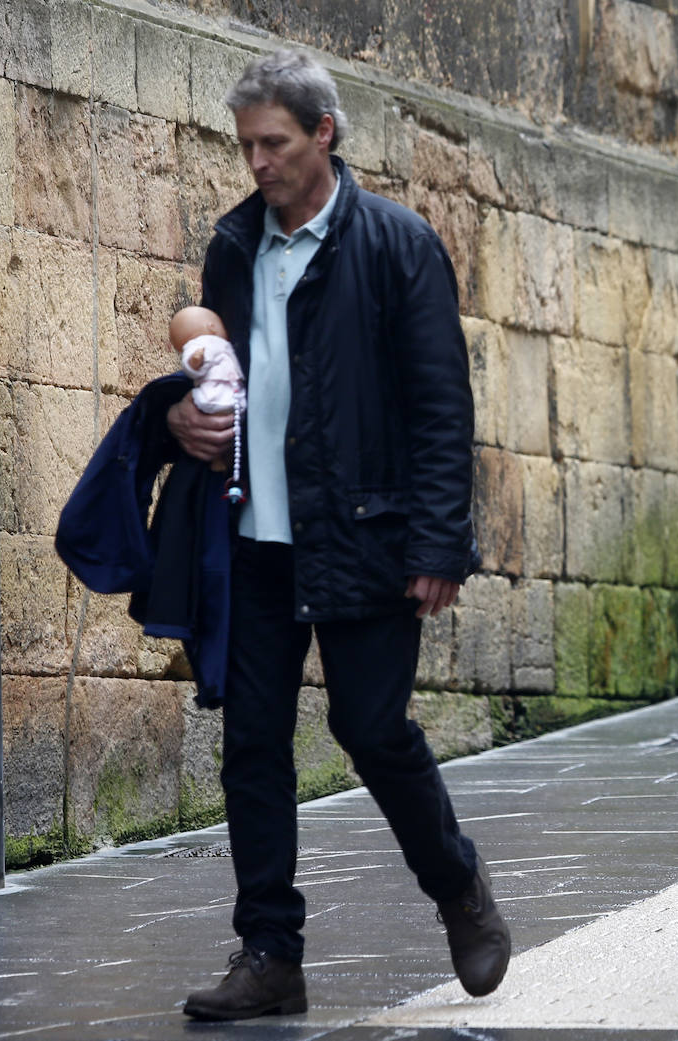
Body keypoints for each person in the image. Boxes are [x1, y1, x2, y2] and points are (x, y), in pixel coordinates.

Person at [166, 49, 510, 1021]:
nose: (258, 163)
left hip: (365, 535)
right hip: (256, 540)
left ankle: (458, 887)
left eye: (273, 143)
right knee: (252, 745)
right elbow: (213, 381)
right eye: (245, 146)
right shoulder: (234, 248)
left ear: (323, 134)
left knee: (371, 729)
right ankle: (270, 953)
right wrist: (177, 424)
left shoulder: (398, 245)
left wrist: (440, 543)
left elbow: (442, 405)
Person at [169, 305, 245, 500]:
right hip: (217, 392)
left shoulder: (224, 345)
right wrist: (195, 360)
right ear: (212, 326)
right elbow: (191, 363)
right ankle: (222, 459)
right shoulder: (204, 345)